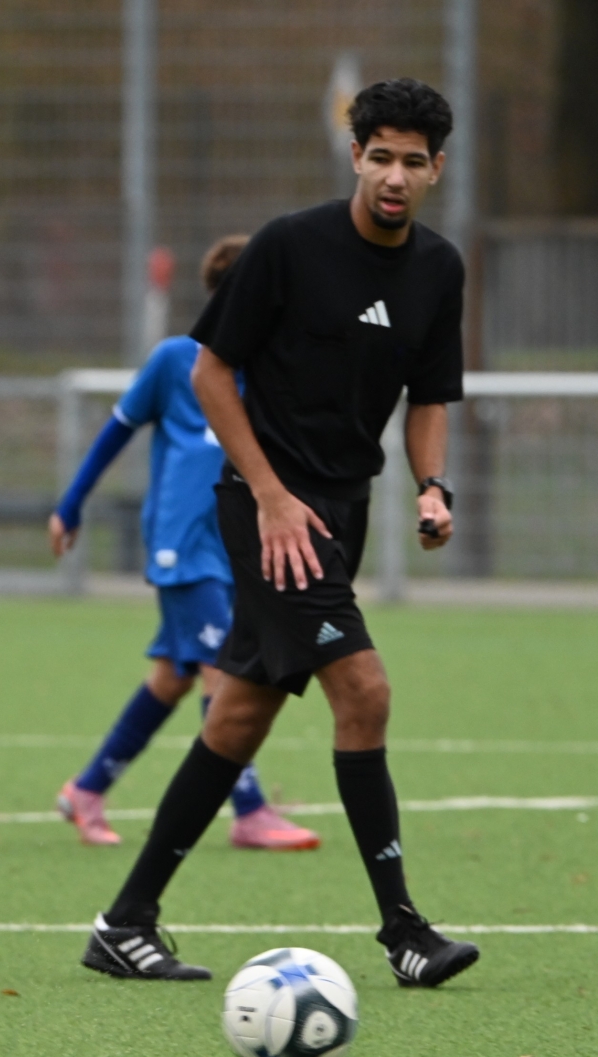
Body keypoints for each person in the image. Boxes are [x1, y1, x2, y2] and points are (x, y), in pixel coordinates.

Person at [81, 77, 480, 988]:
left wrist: (432, 486)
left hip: (344, 510)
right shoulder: (291, 246)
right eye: (380, 157)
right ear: (356, 156)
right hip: (271, 515)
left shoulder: (439, 269)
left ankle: (125, 922)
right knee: (365, 692)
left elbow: (429, 398)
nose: (395, 176)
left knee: (240, 715)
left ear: (436, 170)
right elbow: (210, 374)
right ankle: (404, 931)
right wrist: (268, 495)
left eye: (413, 162)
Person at [51, 237, 319, 852]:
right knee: (221, 668)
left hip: (231, 550)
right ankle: (248, 809)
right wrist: (70, 504)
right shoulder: (177, 360)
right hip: (180, 546)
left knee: (173, 679)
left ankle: (86, 791)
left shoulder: (268, 371)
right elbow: (117, 431)